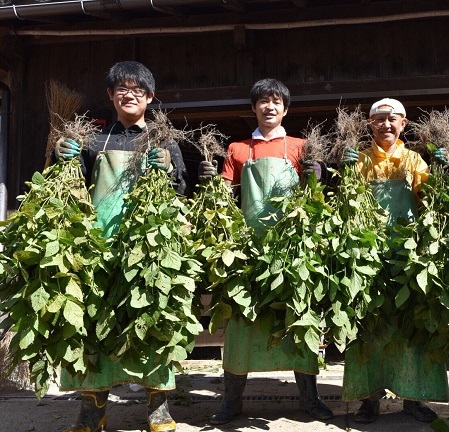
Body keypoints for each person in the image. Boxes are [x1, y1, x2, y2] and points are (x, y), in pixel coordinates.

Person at [54, 61, 189, 432]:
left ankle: (157, 405)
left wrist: (166, 170)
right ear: (111, 96)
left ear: (150, 97)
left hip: (148, 247)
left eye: (138, 90)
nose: (130, 95)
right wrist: (59, 156)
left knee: (153, 317)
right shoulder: (93, 140)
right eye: (122, 90)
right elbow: (71, 185)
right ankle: (91, 409)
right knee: (91, 324)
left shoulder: (163, 140)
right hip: (98, 241)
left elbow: (180, 190)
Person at [198, 78, 332, 425]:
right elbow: (225, 198)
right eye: (263, 101)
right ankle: (231, 401)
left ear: (285, 109)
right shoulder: (238, 149)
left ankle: (310, 398)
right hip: (247, 247)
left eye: (276, 102)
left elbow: (313, 199)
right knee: (242, 322)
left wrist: (316, 176)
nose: (269, 107)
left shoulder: (302, 147)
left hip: (292, 247)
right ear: (254, 108)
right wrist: (210, 181)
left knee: (299, 319)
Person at [339, 98, 449, 423]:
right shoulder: (359, 160)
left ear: (404, 124)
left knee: (411, 324)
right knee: (368, 323)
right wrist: (343, 173)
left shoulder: (415, 160)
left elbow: (430, 203)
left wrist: (440, 171)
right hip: (367, 253)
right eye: (379, 119)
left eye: (393, 119)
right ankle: (368, 398)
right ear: (370, 125)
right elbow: (347, 204)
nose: (386, 124)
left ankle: (414, 398)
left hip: (408, 254)